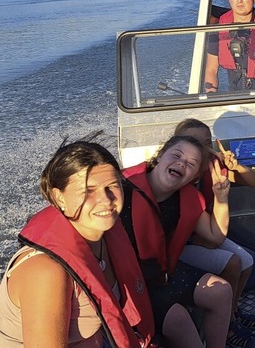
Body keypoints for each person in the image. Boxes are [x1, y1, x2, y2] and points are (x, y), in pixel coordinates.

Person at [0, 138, 156, 347]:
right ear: (59, 197)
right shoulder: (45, 272)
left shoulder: (107, 235)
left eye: (112, 186)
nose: (106, 200)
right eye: (88, 191)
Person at [119, 135, 253, 348]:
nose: (182, 163)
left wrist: (221, 197)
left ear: (194, 176)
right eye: (176, 155)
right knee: (180, 319)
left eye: (191, 164)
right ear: (161, 155)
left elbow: (216, 235)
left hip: (161, 275)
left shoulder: (183, 199)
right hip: (127, 283)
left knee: (220, 290)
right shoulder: (121, 190)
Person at [173, 119, 255, 336]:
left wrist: (237, 167)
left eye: (206, 142)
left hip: (209, 232)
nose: (202, 148)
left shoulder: (214, 165)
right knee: (233, 263)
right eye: (194, 142)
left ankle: (232, 315)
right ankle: (228, 329)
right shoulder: (177, 173)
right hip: (182, 243)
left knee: (247, 261)